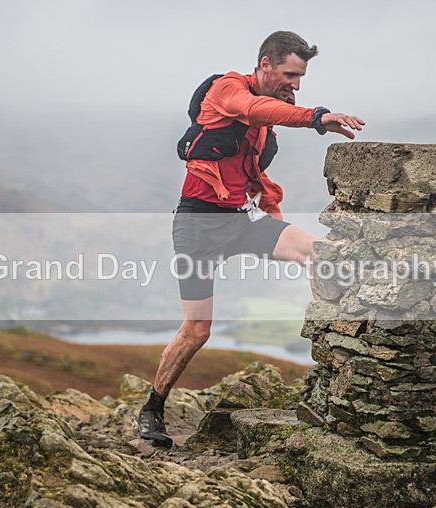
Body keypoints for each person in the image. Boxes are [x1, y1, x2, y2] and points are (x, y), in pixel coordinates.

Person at [136, 31, 364, 446]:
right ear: (265, 65)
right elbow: (256, 108)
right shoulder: (229, 89)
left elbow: (256, 169)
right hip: (197, 226)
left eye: (301, 78)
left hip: (241, 220)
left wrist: (274, 224)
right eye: (290, 75)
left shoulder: (266, 122)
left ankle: (337, 364)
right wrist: (318, 117)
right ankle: (152, 409)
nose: (296, 85)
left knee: (319, 253)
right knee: (197, 329)